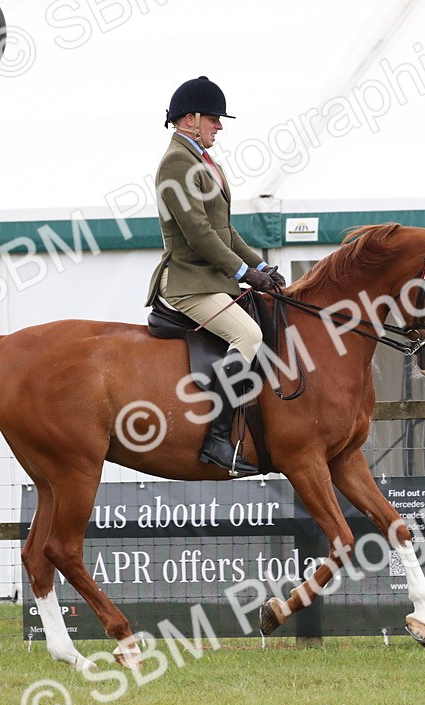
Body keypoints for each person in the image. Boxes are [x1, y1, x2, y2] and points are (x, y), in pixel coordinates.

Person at [145, 76, 284, 476]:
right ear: (189, 120)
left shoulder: (207, 163)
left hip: (213, 279)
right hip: (188, 283)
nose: (219, 126)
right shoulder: (176, 163)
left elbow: (225, 231)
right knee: (249, 335)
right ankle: (218, 440)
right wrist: (242, 272)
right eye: (213, 119)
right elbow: (198, 233)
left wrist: (258, 267)